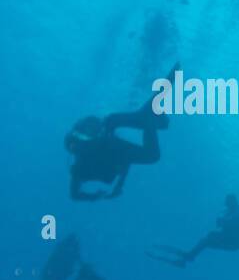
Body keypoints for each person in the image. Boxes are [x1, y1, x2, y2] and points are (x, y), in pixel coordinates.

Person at [65, 69, 174, 201]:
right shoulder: (80, 168)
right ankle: (149, 118)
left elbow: (75, 194)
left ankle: (149, 117)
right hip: (112, 141)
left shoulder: (82, 164)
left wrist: (106, 191)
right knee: (151, 150)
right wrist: (117, 186)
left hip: (110, 136)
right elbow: (124, 159)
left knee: (115, 123)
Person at [149, 195, 239, 267]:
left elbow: (238, 225)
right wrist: (222, 220)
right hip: (229, 239)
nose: (226, 205)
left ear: (233, 202)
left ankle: (189, 256)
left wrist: (224, 221)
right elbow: (221, 223)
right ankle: (189, 256)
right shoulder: (229, 211)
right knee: (207, 238)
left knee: (207, 240)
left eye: (228, 203)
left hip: (234, 243)